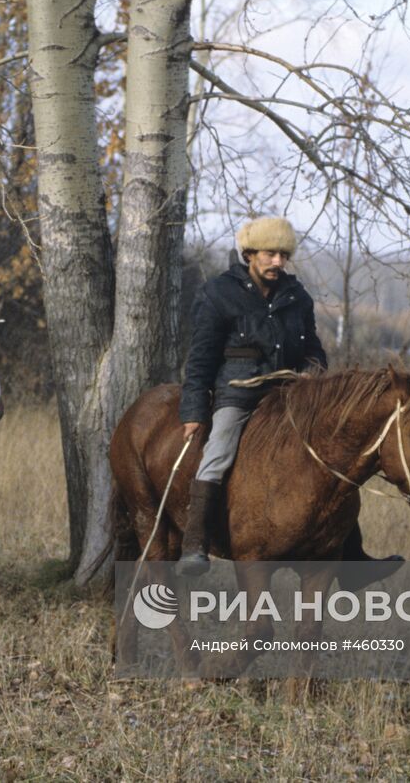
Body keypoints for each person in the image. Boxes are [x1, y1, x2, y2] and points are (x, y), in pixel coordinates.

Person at [177, 216, 328, 572]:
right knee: (217, 453)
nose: (278, 262)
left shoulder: (297, 296)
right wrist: (194, 413)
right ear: (249, 254)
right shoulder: (219, 292)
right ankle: (194, 546)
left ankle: (354, 556)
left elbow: (315, 349)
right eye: (270, 254)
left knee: (331, 456)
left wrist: (313, 370)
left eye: (283, 255)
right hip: (238, 395)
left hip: (290, 397)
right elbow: (200, 359)